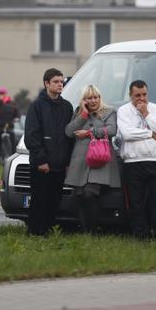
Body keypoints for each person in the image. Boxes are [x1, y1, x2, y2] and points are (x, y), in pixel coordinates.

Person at [117, 80, 156, 241]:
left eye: (144, 94)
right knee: (136, 202)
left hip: (155, 161)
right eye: (137, 95)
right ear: (130, 95)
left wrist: (146, 113)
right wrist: (150, 134)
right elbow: (126, 134)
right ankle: (141, 236)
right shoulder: (124, 111)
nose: (141, 98)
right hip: (133, 163)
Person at [24, 68, 74, 236]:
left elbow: (69, 137)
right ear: (46, 83)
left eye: (62, 82)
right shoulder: (36, 106)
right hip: (41, 166)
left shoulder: (67, 107)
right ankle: (34, 232)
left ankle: (48, 231)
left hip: (60, 165)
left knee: (54, 201)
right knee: (39, 200)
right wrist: (41, 160)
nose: (60, 84)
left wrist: (67, 162)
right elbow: (32, 136)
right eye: (56, 82)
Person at [65, 85, 120, 232]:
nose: (94, 100)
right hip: (81, 161)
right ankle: (85, 232)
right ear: (84, 100)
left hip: (100, 160)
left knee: (90, 194)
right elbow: (69, 132)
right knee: (81, 195)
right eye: (90, 98)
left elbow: (112, 130)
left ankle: (93, 230)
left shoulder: (109, 112)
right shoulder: (79, 112)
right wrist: (83, 114)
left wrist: (90, 133)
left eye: (96, 97)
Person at [0, 87, 20, 161]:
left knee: (12, 145)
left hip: (9, 127)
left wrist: (17, 118)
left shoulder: (12, 103)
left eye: (3, 93)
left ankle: (12, 160)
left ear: (6, 94)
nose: (2, 95)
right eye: (0, 94)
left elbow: (17, 112)